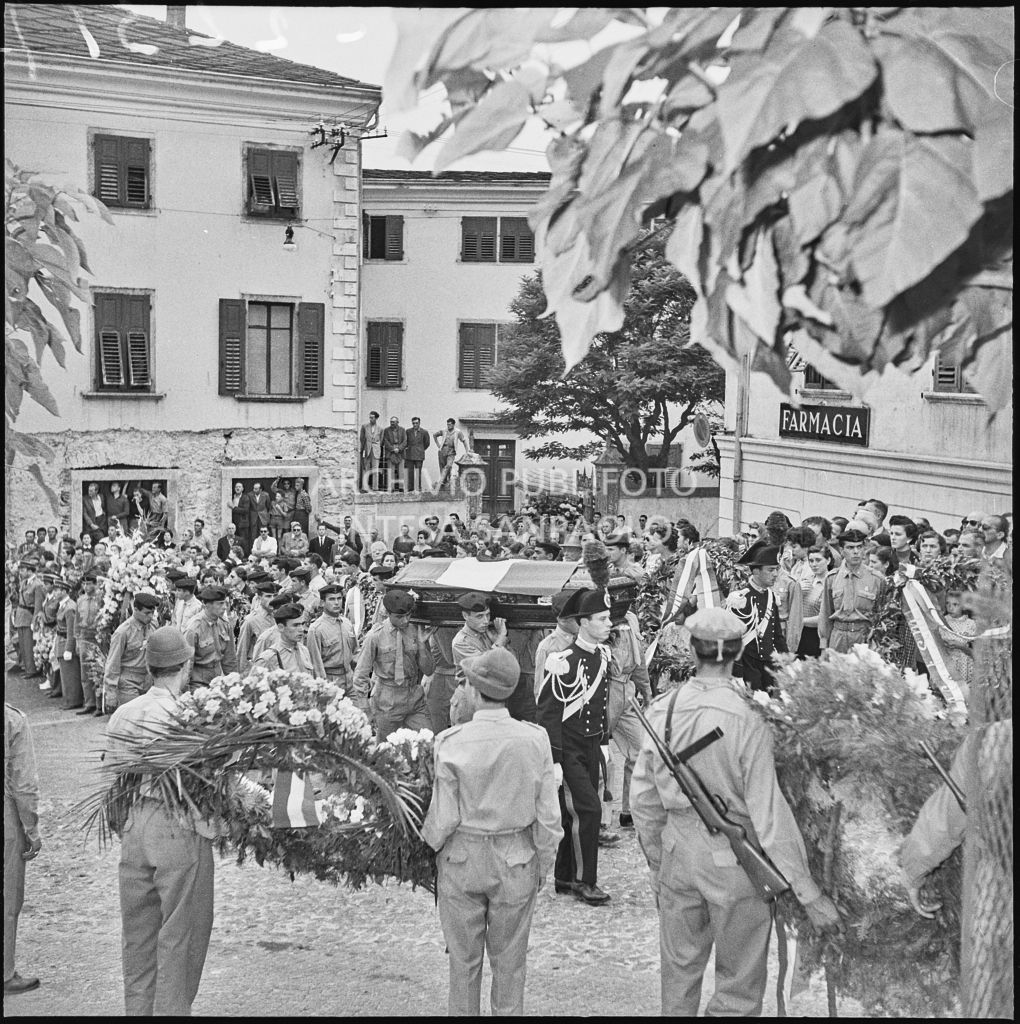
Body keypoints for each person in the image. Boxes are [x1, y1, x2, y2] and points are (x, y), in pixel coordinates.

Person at [630, 607, 841, 1015]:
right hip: (735, 866)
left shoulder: (662, 710)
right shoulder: (749, 718)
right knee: (739, 987)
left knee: (678, 977)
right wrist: (807, 891)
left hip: (678, 853)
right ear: (739, 651)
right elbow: (768, 815)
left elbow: (643, 801)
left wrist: (659, 863)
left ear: (693, 652)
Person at [421, 648, 563, 1017]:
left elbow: (443, 819)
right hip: (516, 859)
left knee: (463, 965)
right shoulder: (535, 740)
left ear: (475, 690)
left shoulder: (450, 741)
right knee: (510, 965)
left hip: (462, 858)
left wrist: (429, 848)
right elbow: (549, 816)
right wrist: (543, 863)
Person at [104, 627, 216, 1015]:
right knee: (180, 935)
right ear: (184, 667)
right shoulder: (188, 715)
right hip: (177, 826)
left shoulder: (124, 713)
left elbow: (112, 779)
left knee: (137, 936)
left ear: (150, 667)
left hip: (135, 825)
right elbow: (209, 785)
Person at [536, 587, 614, 905]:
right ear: (583, 622)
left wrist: (605, 741)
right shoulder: (561, 661)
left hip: (591, 745)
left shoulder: (602, 655)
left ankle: (565, 877)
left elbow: (600, 703)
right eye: (602, 618)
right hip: (568, 748)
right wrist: (554, 760)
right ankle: (585, 881)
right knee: (588, 810)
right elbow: (548, 713)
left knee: (574, 814)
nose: (609, 624)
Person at [353, 590, 435, 740]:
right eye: (399, 617)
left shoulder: (416, 630)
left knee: (428, 742)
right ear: (387, 613)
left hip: (415, 697)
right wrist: (364, 706)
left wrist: (422, 646)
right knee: (386, 750)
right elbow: (361, 673)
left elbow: (429, 670)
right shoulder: (375, 636)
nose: (405, 620)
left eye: (408, 615)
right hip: (387, 700)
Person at [4, 702, 43, 996]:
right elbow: (24, 783)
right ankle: (4, 973)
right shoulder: (11, 719)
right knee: (7, 896)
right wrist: (31, 828)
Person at [605, 606, 652, 835]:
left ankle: (629, 811)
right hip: (607, 689)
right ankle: (602, 819)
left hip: (627, 689)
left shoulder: (631, 617)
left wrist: (647, 690)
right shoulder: (599, 618)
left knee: (640, 749)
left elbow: (639, 658)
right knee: (600, 753)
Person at [728, 544, 787, 692]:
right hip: (747, 666)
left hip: (768, 666)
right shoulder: (740, 598)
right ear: (756, 571)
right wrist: (737, 674)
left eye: (776, 569)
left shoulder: (771, 596)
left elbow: (777, 635)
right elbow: (732, 639)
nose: (775, 574)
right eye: (770, 570)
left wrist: (787, 661)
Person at [818, 529, 885, 653]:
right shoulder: (832, 578)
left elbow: (881, 615)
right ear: (842, 551)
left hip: (864, 638)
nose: (856, 552)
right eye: (850, 547)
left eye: (859, 547)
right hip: (838, 637)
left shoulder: (876, 579)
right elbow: (825, 614)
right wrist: (824, 645)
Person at [449, 592, 510, 726]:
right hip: (468, 699)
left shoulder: (487, 634)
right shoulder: (461, 642)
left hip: (488, 698)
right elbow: (486, 667)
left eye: (487, 615)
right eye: (479, 616)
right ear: (465, 616)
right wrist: (501, 639)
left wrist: (498, 640)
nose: (485, 621)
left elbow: (509, 663)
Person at [102, 593, 159, 714]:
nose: (150, 616)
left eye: (152, 613)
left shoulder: (153, 625)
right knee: (132, 718)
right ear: (136, 609)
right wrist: (111, 693)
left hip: (147, 680)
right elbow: (113, 663)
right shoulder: (123, 632)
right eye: (147, 613)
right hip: (128, 683)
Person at [306, 584, 362, 706]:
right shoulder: (316, 629)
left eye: (339, 598)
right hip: (331, 682)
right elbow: (316, 664)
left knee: (357, 717)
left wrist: (357, 677)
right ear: (322, 602)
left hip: (350, 681)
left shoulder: (347, 623)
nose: (337, 603)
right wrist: (324, 689)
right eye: (331, 599)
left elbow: (355, 652)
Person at [184, 587, 238, 690]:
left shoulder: (225, 624)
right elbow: (187, 664)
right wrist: (185, 689)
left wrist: (234, 684)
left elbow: (230, 659)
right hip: (198, 683)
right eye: (220, 604)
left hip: (218, 682)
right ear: (206, 605)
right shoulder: (194, 628)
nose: (224, 607)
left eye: (225, 603)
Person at [251, 603, 314, 673]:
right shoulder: (268, 658)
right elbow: (252, 682)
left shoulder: (304, 650)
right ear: (281, 627)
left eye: (302, 624)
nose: (301, 629)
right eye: (295, 625)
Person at [74, 569, 103, 715]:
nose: (86, 586)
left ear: (95, 584)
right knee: (85, 673)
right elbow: (77, 621)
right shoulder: (80, 600)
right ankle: (89, 702)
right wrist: (77, 640)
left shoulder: (101, 599)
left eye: (89, 583)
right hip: (84, 637)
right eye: (84, 583)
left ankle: (99, 705)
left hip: (97, 638)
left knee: (97, 671)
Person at [796, 545, 833, 658]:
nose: (814, 564)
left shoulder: (831, 583)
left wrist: (800, 620)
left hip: (818, 636)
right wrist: (797, 590)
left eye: (818, 560)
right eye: (811, 561)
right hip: (800, 634)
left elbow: (827, 616)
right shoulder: (806, 580)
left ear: (828, 560)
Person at [52, 577, 82, 710]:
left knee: (70, 674)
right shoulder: (64, 605)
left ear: (65, 591)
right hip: (61, 641)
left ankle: (73, 700)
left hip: (66, 642)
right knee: (65, 674)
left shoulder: (70, 607)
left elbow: (72, 631)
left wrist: (69, 648)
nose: (55, 593)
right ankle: (69, 699)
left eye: (58, 590)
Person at [12, 560, 45, 678]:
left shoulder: (38, 584)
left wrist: (34, 621)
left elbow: (38, 605)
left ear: (30, 571)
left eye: (23, 570)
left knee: (29, 644)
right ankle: (26, 667)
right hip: (21, 616)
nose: (20, 572)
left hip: (29, 616)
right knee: (22, 644)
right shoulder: (24, 582)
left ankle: (32, 670)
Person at [236, 582, 276, 674]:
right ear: (259, 598)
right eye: (268, 596)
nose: (272, 600)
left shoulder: (278, 617)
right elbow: (242, 651)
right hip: (258, 669)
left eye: (274, 596)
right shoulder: (251, 620)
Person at [434, 417, 468, 490]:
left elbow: (464, 440)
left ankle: (443, 480)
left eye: (450, 425)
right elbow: (435, 435)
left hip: (451, 451)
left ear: (453, 425)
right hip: (443, 450)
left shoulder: (457, 432)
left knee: (448, 465)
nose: (448, 426)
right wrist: (438, 445)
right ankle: (445, 481)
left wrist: (467, 451)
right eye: (447, 424)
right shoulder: (444, 431)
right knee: (442, 466)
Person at [404, 416, 431, 492]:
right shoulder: (408, 431)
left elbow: (427, 443)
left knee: (418, 472)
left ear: (419, 423)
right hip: (409, 454)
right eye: (413, 423)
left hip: (419, 455)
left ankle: (418, 487)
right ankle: (410, 488)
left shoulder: (424, 432)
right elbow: (406, 442)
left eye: (416, 423)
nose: (415, 425)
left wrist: (421, 449)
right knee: (410, 472)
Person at [382, 416, 407, 493]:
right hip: (391, 452)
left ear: (397, 422)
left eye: (393, 422)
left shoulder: (402, 430)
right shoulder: (386, 430)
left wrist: (399, 449)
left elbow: (405, 441)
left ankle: (401, 487)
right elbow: (385, 441)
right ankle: (391, 487)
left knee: (401, 471)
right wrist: (392, 449)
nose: (392, 423)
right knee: (391, 470)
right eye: (391, 422)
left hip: (400, 452)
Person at [360, 411, 384, 491]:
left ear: (376, 418)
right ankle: (365, 487)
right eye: (370, 417)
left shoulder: (380, 429)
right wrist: (363, 450)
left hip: (376, 451)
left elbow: (381, 440)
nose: (370, 419)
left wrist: (376, 446)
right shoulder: (364, 426)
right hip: (367, 450)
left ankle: (375, 487)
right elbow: (362, 439)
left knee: (375, 470)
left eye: (372, 417)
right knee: (366, 469)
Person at [229, 482, 250, 553]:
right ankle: (236, 555)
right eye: (236, 487)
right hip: (234, 522)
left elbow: (245, 510)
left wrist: (233, 507)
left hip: (242, 522)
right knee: (235, 539)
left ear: (242, 489)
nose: (237, 488)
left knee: (243, 540)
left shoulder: (245, 497)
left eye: (239, 487)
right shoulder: (232, 496)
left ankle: (245, 555)